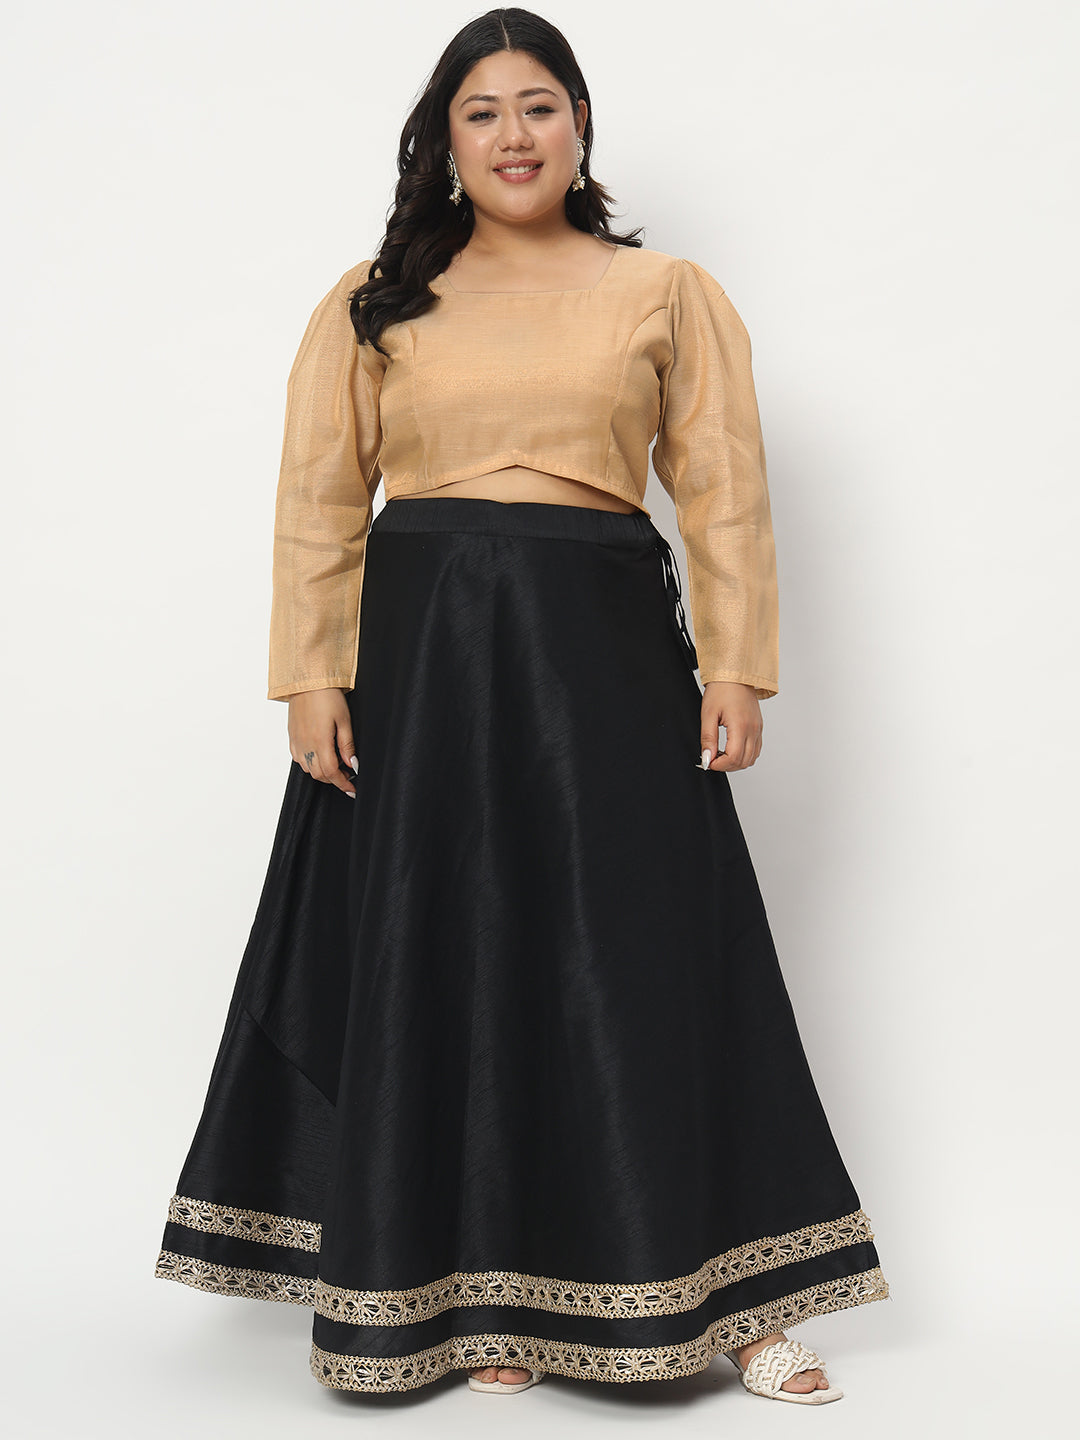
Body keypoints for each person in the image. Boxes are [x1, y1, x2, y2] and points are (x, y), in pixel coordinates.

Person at [154, 6, 889, 1405]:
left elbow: (725, 487)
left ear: (580, 125)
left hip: (602, 657)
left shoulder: (665, 291)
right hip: (423, 662)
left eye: (538, 106)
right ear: (445, 138)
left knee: (644, 954)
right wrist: (311, 674)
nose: (513, 135)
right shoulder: (376, 296)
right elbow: (318, 496)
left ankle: (735, 1298)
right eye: (481, 111)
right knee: (450, 956)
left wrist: (737, 663)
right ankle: (475, 1295)